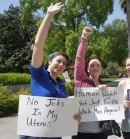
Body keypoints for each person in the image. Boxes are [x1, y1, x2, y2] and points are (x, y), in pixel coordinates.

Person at [19, 2, 81, 139]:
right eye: (58, 61)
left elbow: (61, 111)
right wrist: (49, 15)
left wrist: (73, 117)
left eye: (64, 63)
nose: (61, 65)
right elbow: (38, 44)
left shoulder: (61, 85)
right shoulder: (39, 75)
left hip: (55, 135)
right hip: (35, 135)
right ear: (49, 61)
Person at [72, 27, 108, 139]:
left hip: (101, 133)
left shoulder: (108, 87)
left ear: (102, 69)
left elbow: (113, 108)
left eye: (98, 65)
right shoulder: (81, 80)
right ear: (87, 69)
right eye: (92, 65)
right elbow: (79, 59)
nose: (95, 67)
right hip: (81, 133)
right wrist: (84, 37)